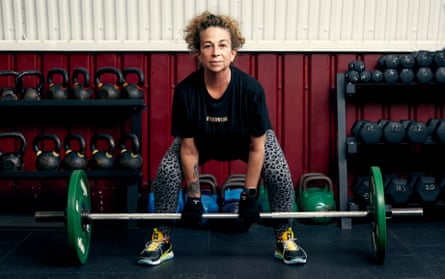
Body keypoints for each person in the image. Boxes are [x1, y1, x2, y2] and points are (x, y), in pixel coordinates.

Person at [137, 10, 307, 266]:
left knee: (280, 173)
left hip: (245, 141)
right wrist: (194, 197)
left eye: (222, 45)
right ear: (198, 52)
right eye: (208, 45)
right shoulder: (185, 92)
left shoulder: (251, 90)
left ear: (233, 52)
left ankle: (284, 236)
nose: (215, 52)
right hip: (202, 141)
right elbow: (189, 149)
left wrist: (249, 197)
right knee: (166, 174)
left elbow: (257, 147)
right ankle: (163, 238)